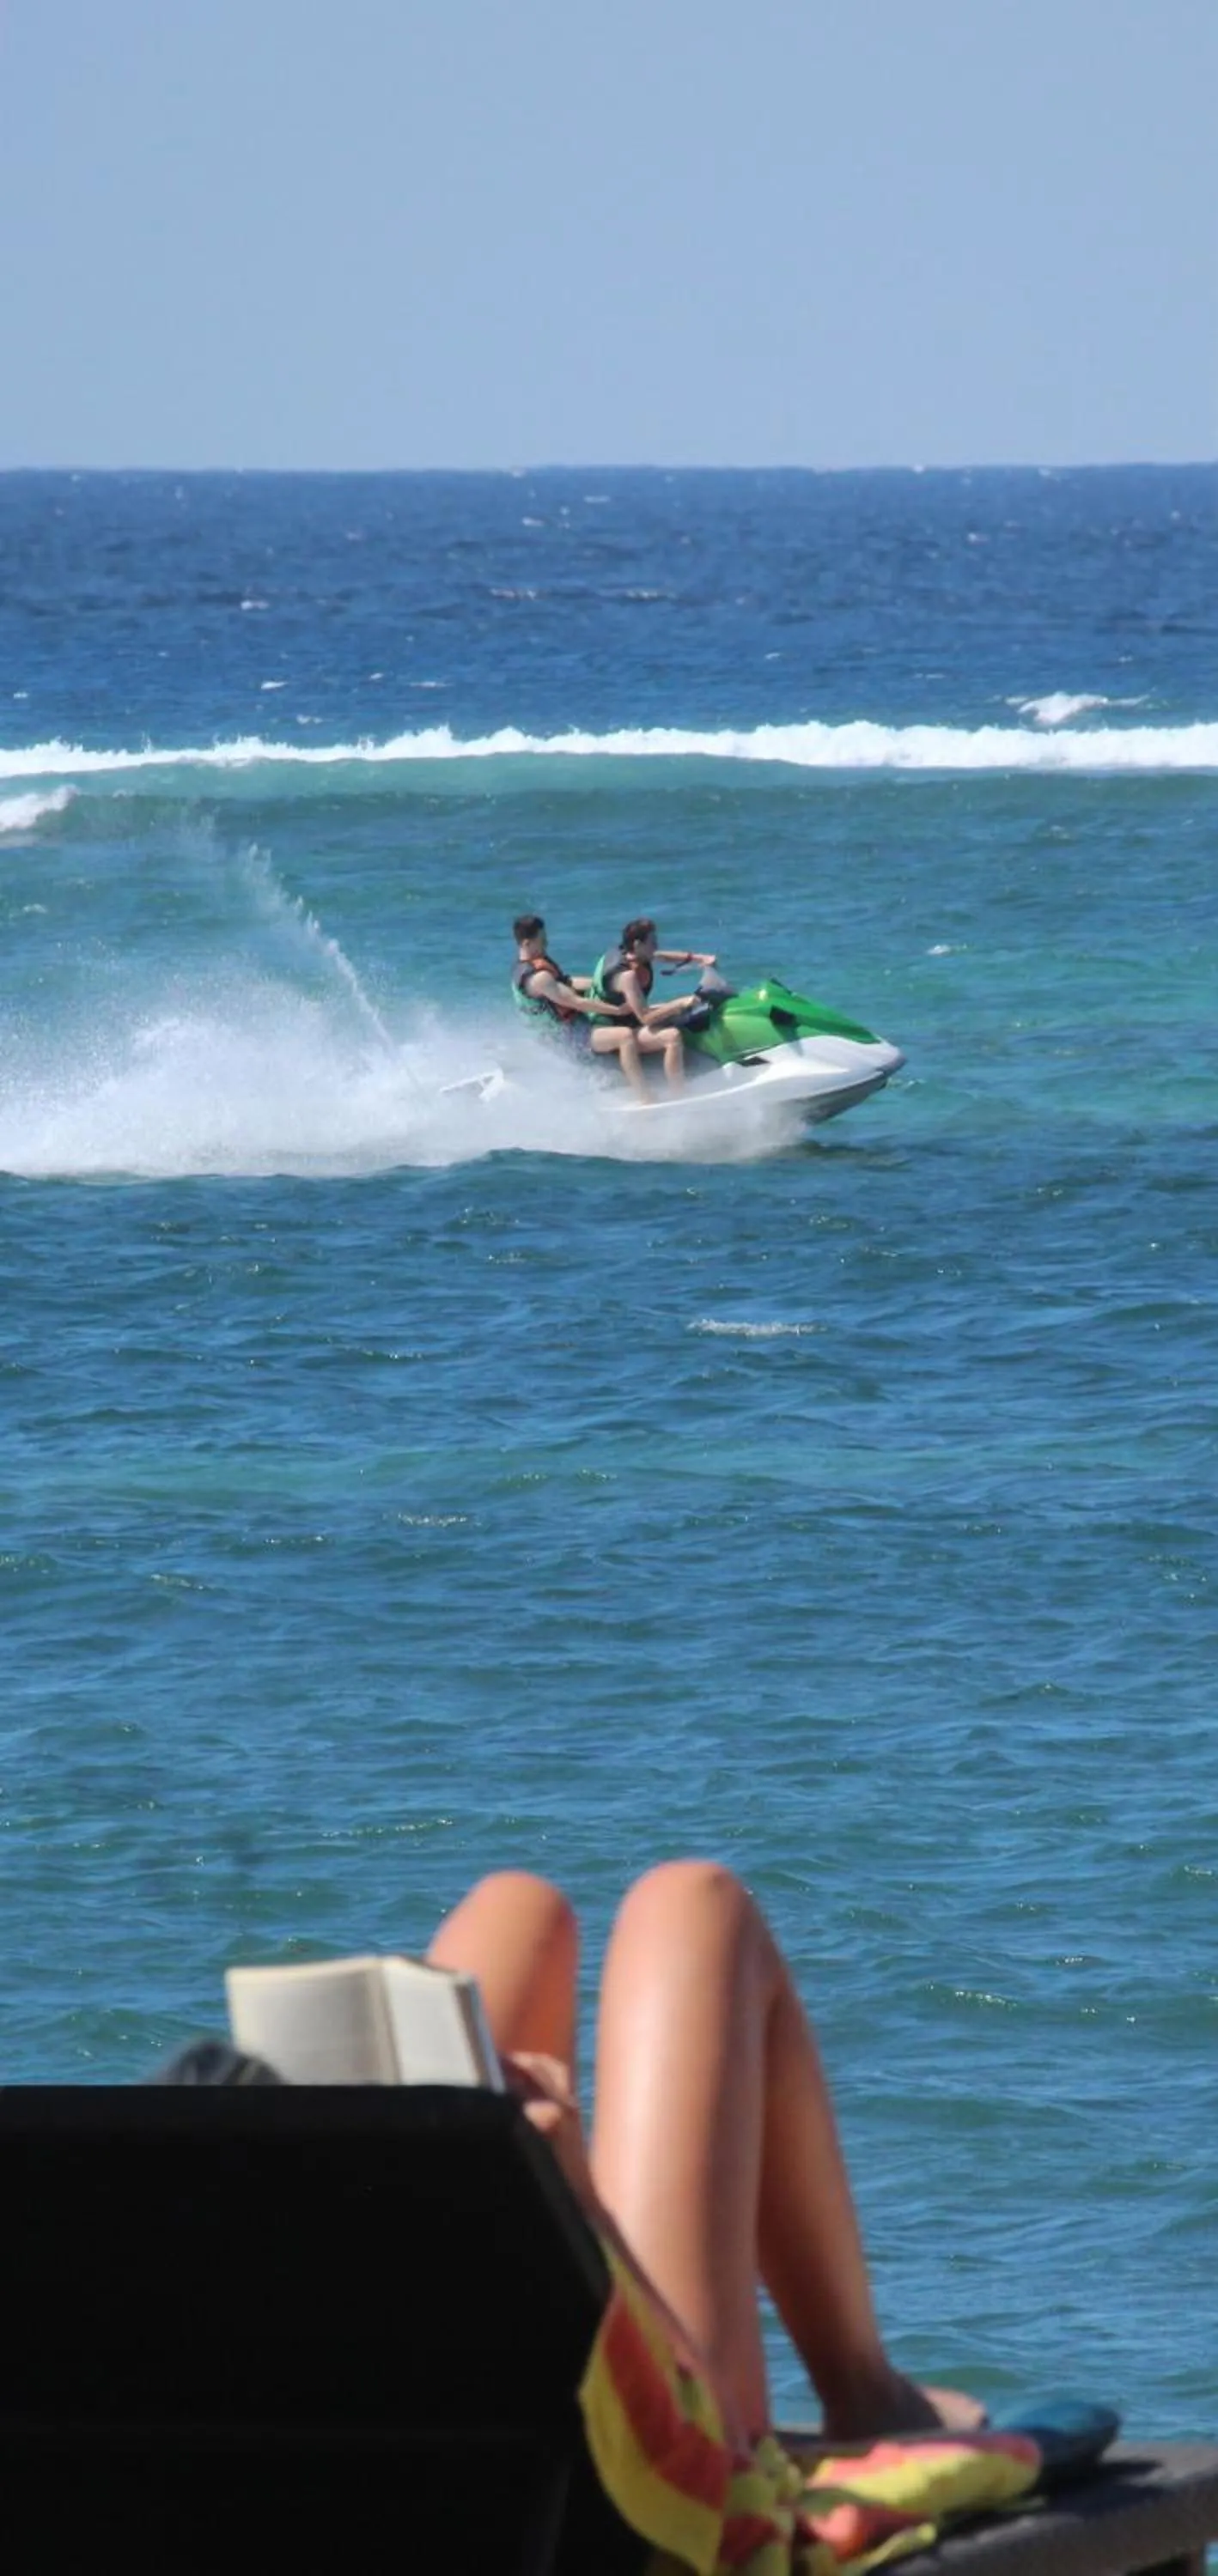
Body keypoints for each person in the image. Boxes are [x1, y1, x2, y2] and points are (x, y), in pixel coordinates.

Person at [427, 1857, 981, 2456]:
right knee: (695, 1901)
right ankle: (864, 2391)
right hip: (630, 2489)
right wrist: (572, 2194)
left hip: (399, 2401)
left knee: (514, 1906)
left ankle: (867, 2391)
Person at [510, 914, 651, 1102]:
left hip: (559, 1030)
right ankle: (644, 1097)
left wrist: (602, 984)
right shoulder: (538, 979)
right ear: (527, 944)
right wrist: (617, 1010)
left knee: (631, 1016)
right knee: (624, 1036)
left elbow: (568, 982)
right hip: (566, 1037)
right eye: (542, 940)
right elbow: (575, 1001)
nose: (547, 943)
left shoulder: (526, 967)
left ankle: (633, 1066)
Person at [589, 918, 718, 1092]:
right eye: (653, 943)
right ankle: (678, 1095)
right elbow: (646, 1017)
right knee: (671, 1036)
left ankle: (697, 1065)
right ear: (637, 944)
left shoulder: (630, 953)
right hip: (609, 1029)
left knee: (682, 1014)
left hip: (628, 1018)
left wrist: (699, 958)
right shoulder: (627, 977)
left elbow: (661, 956)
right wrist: (678, 1003)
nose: (656, 946)